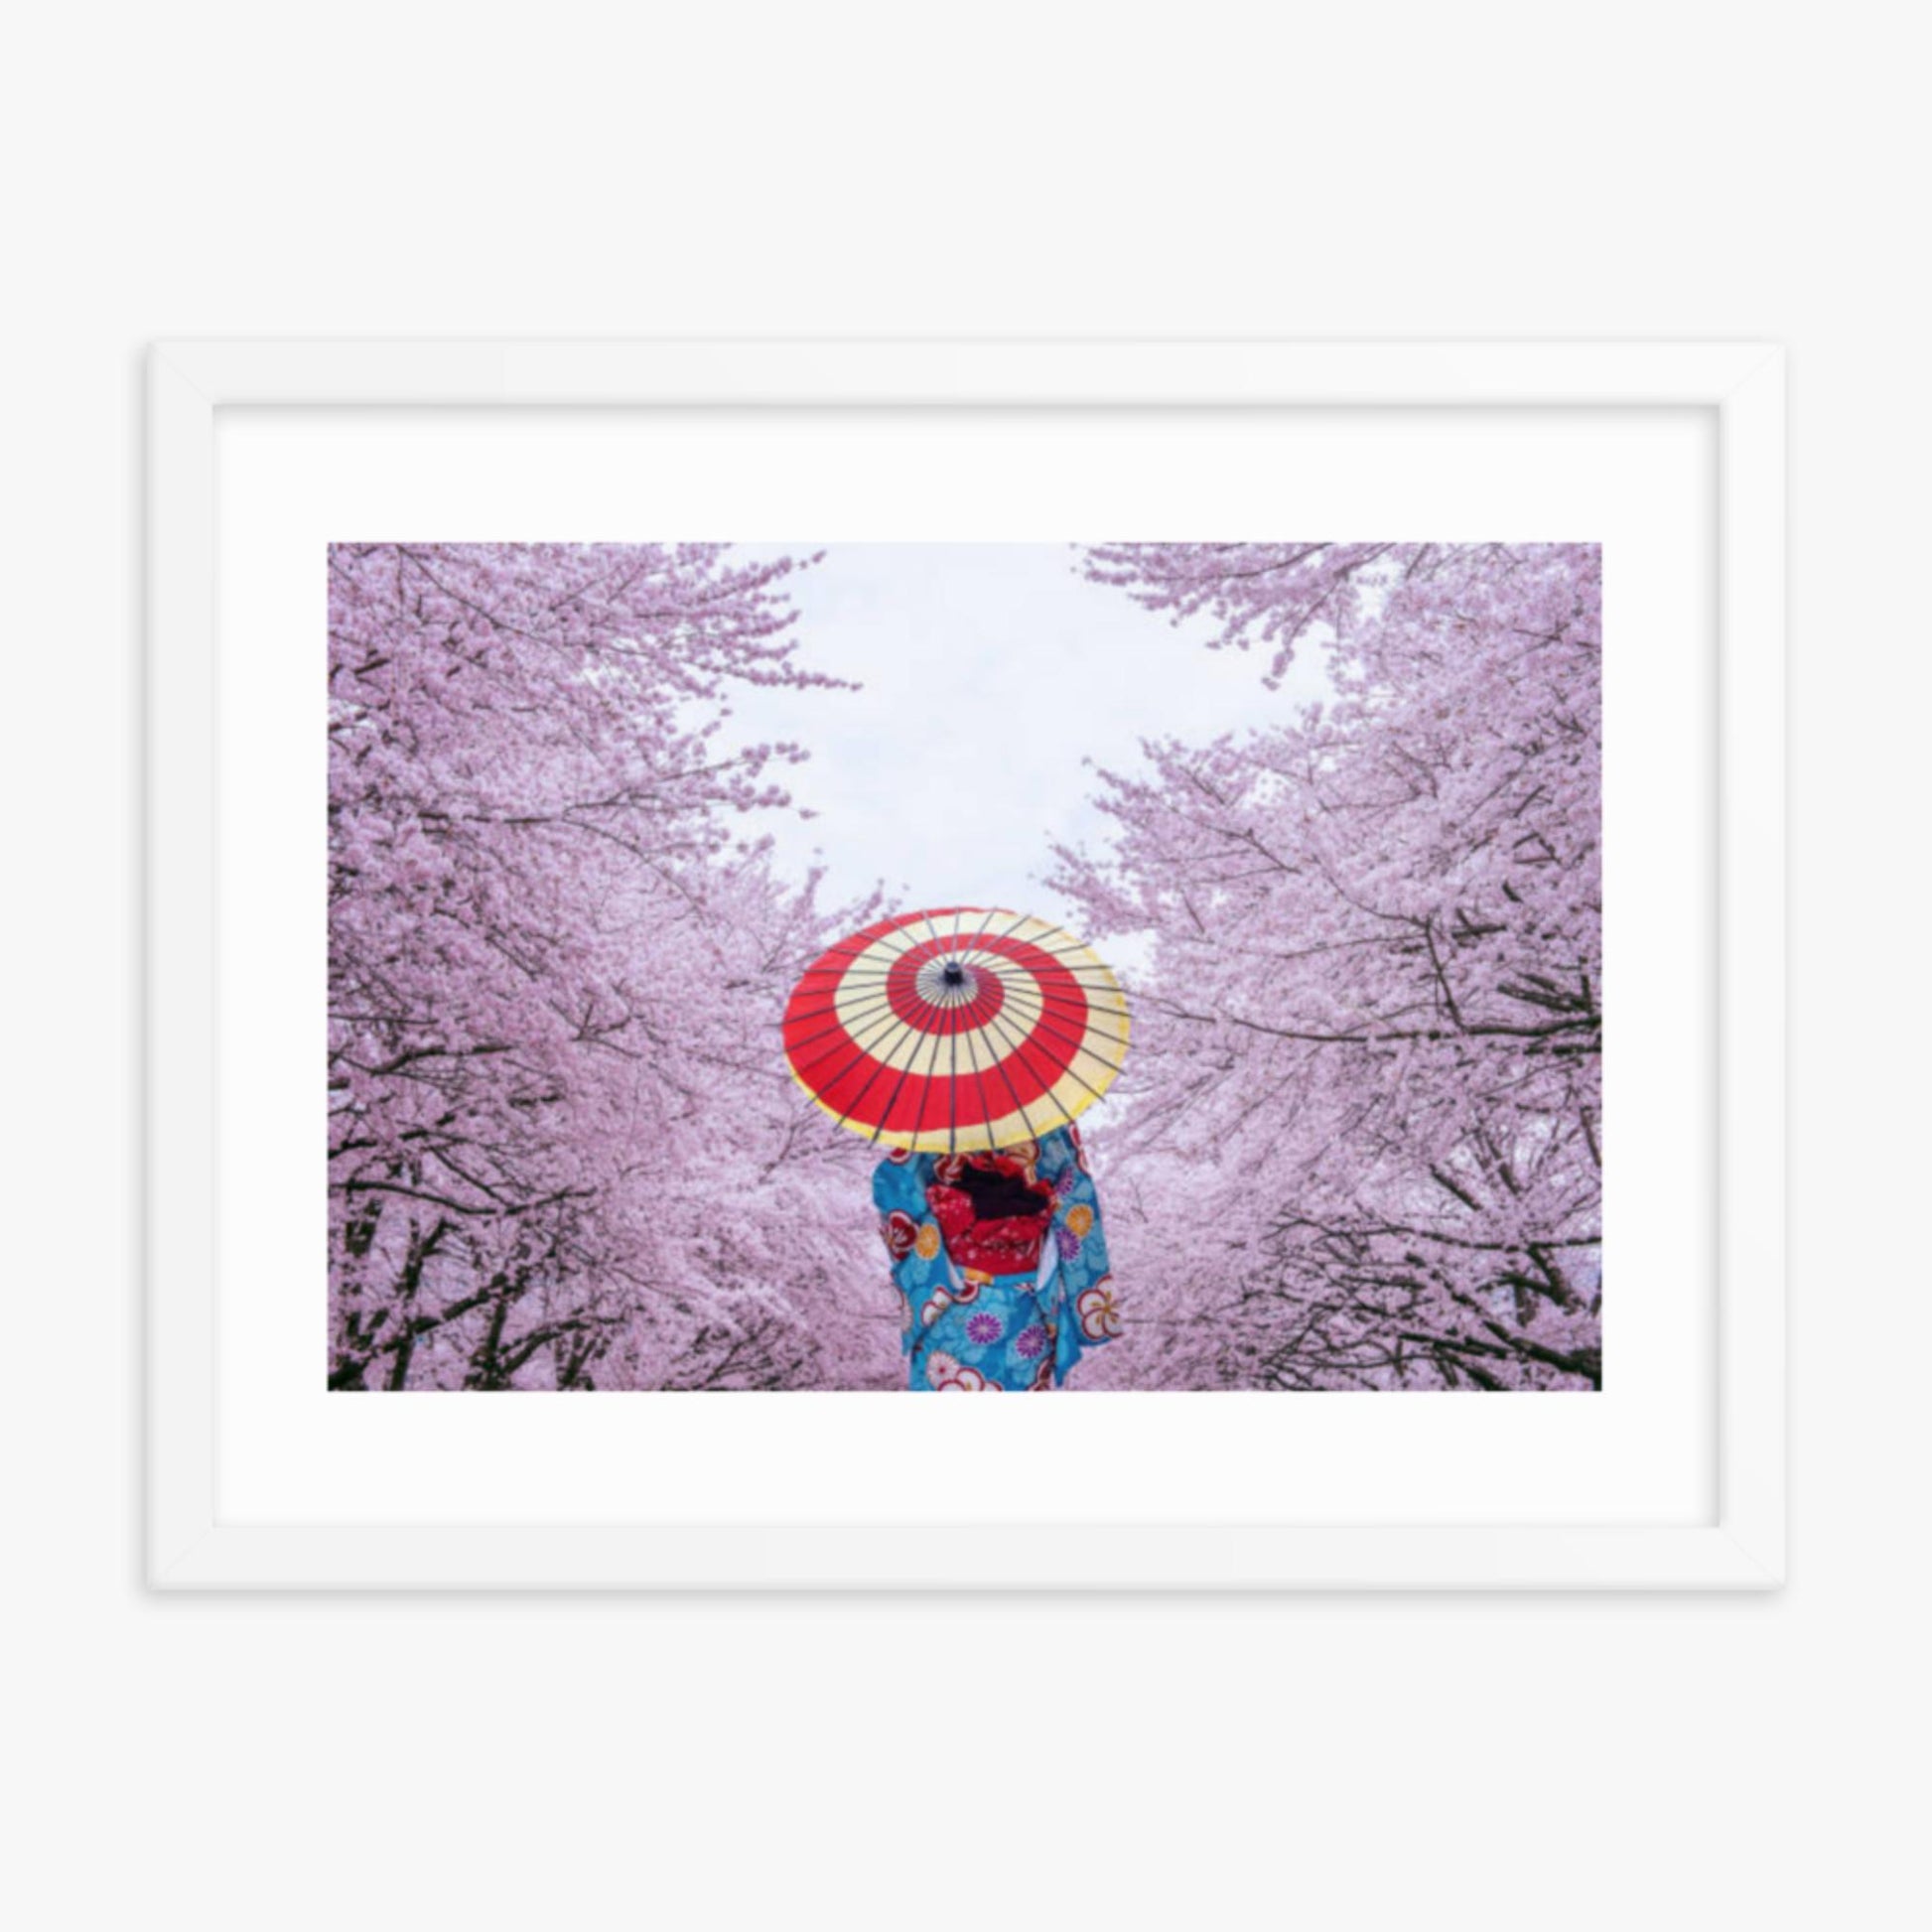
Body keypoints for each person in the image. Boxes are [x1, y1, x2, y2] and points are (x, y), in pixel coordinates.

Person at [872, 1123, 1119, 1391]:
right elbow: (1076, 1202)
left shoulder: (932, 1119)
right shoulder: (1046, 1115)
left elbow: (895, 1198)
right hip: (1028, 1297)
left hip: (950, 1292)